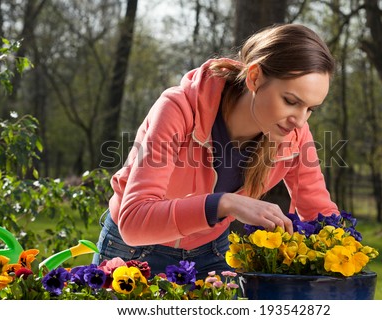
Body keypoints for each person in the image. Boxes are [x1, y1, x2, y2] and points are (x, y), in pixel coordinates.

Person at [92, 23, 339, 279]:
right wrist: (225, 203)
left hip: (212, 252)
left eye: (310, 108)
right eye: (290, 101)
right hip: (133, 252)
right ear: (255, 77)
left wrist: (345, 254)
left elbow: (319, 214)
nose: (299, 120)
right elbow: (134, 223)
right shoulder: (178, 108)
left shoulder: (295, 134)